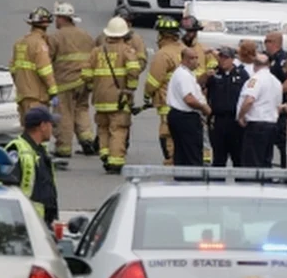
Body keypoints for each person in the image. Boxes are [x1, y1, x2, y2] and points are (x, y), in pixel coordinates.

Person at [83, 16, 140, 174]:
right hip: (119, 99)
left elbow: (86, 74)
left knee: (103, 128)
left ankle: (105, 154)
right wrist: (130, 89)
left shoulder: (97, 51)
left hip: (100, 99)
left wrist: (94, 87)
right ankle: (115, 162)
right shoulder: (127, 50)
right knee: (118, 129)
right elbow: (134, 71)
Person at [48, 2, 96, 162]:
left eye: (57, 17)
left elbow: (47, 59)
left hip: (65, 82)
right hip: (84, 81)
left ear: (62, 18)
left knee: (64, 114)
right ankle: (87, 139)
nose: (55, 21)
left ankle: (64, 148)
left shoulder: (55, 37)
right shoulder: (86, 35)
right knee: (81, 109)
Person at [5, 107, 59, 225]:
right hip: (25, 221)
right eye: (51, 124)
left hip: (41, 221)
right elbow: (8, 187)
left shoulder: (40, 150)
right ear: (43, 126)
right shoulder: (17, 150)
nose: (52, 129)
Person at [144, 15, 184, 165]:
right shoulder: (185, 50)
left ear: (162, 35)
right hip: (186, 103)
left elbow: (153, 81)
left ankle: (172, 163)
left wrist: (147, 95)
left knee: (167, 135)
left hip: (167, 103)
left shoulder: (162, 54)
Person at [11, 7, 59, 125]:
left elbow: (12, 69)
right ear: (46, 25)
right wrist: (53, 91)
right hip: (36, 98)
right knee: (38, 130)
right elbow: (45, 70)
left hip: (23, 96)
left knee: (27, 129)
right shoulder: (39, 44)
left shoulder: (19, 42)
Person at [167, 46, 212, 166]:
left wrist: (205, 76)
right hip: (186, 118)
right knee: (192, 154)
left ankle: (182, 175)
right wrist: (204, 108)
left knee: (182, 154)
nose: (197, 61)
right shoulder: (184, 75)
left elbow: (195, 86)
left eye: (197, 58)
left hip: (179, 117)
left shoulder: (185, 73)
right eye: (193, 58)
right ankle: (193, 176)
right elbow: (189, 99)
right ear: (186, 60)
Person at [237, 53, 282, 167]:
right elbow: (278, 106)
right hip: (271, 124)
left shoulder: (256, 80)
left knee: (252, 161)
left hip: (256, 124)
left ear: (254, 64)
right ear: (268, 65)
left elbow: (249, 100)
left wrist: (241, 116)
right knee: (265, 161)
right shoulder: (276, 82)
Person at [206, 46, 249, 167]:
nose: (223, 60)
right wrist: (206, 76)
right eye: (221, 57)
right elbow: (201, 88)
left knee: (238, 157)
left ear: (232, 59)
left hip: (235, 121)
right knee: (219, 157)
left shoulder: (242, 74)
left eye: (226, 58)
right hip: (218, 120)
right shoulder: (214, 73)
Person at [263, 32, 287, 167]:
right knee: (268, 141)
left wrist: (275, 93)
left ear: (275, 43)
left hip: (280, 108)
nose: (265, 44)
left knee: (282, 142)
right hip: (271, 107)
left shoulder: (282, 60)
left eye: (267, 41)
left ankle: (286, 171)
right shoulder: (270, 58)